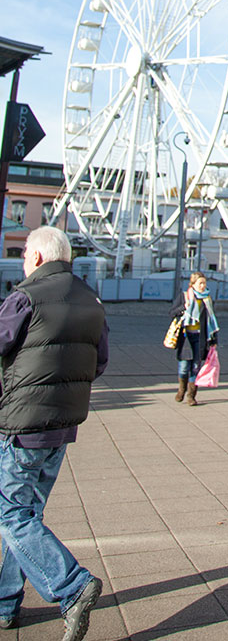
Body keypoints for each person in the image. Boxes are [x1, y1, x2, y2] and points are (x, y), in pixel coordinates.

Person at [0, 226, 108, 641]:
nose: (24, 261)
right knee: (25, 514)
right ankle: (6, 602)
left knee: (11, 513)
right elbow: (99, 361)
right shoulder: (91, 300)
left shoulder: (24, 297)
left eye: (26, 253)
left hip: (21, 425)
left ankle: (71, 586)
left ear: (40, 258)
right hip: (63, 428)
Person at [170, 272, 219, 406]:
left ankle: (191, 396)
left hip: (200, 337)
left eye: (204, 283)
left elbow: (211, 320)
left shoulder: (207, 300)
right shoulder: (185, 297)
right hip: (186, 337)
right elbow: (172, 312)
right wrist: (183, 308)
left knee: (196, 367)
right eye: (200, 283)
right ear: (193, 284)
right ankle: (182, 389)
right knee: (184, 367)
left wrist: (214, 340)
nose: (203, 286)